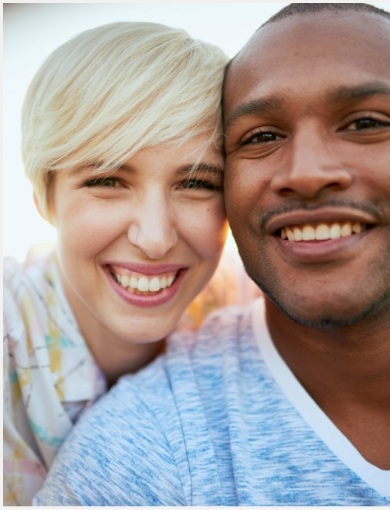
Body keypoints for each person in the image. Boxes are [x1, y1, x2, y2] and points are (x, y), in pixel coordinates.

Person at [34, 3, 390, 506]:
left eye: (364, 123)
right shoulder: (141, 451)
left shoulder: (217, 280)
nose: (306, 173)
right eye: (262, 136)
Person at [2, 21, 231, 506]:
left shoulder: (243, 307)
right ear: (46, 197)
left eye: (196, 183)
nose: (154, 239)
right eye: (107, 180)